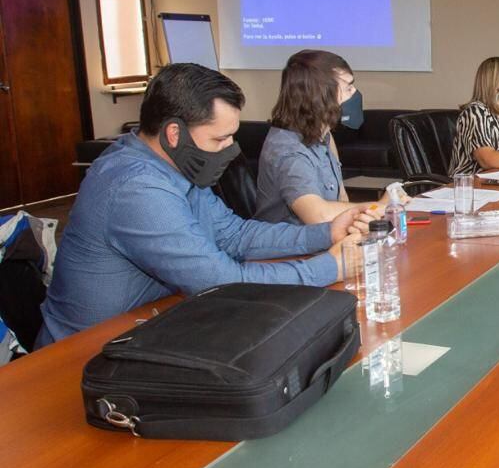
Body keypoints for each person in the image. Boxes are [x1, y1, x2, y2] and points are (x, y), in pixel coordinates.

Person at [36, 63, 366, 348]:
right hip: (84, 353)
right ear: (174, 134)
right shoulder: (137, 188)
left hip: (147, 329)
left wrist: (326, 233)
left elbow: (235, 235)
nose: (231, 150)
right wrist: (330, 268)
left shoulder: (172, 167)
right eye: (219, 139)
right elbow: (219, 281)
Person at [255, 50, 374, 225]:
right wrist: (377, 206)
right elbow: (318, 216)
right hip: (293, 249)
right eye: (348, 88)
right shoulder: (288, 151)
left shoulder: (324, 137)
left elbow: (341, 199)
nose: (354, 93)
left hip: (326, 240)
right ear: (320, 96)